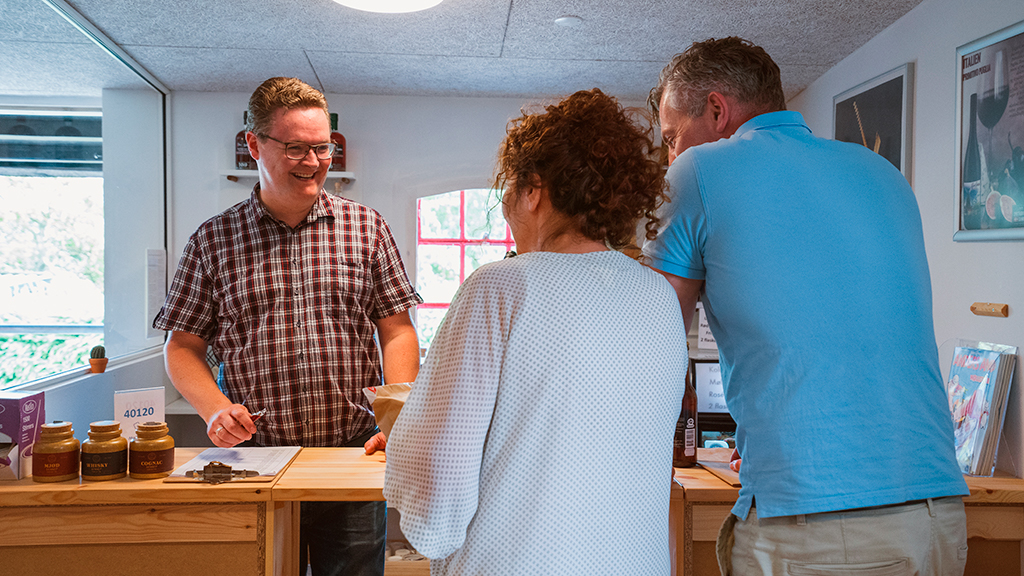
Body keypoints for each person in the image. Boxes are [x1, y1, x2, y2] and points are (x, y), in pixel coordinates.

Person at [644, 37, 970, 575]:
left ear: (718, 110)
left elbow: (648, 339)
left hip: (824, 530)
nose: (672, 155)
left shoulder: (699, 171)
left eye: (674, 137)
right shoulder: (880, 171)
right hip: (936, 513)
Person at [383, 88, 688, 576]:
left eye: (508, 191)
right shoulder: (656, 297)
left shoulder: (501, 286)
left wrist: (403, 439)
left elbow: (437, 486)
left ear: (533, 190)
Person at [153, 77, 421, 576]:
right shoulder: (214, 241)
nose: (314, 161)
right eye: (296, 148)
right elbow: (182, 346)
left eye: (323, 148)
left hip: (351, 452)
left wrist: (395, 416)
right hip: (257, 459)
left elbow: (397, 329)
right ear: (254, 144)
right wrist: (214, 410)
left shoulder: (368, 228)